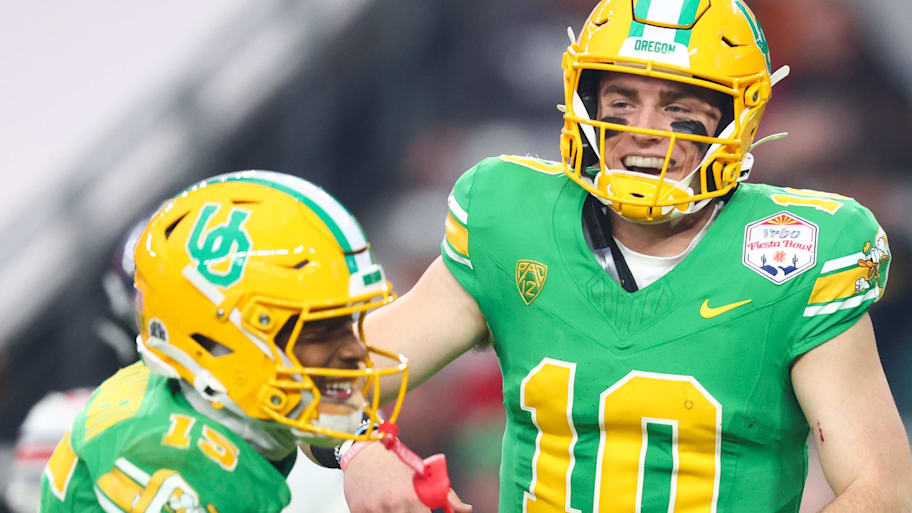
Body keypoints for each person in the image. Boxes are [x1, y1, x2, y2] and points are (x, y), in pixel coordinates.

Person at [335, 1, 912, 512]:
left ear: (735, 120)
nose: (644, 130)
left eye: (678, 108)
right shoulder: (510, 219)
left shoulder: (798, 251)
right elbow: (325, 379)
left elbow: (884, 489)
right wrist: (360, 451)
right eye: (622, 101)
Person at [39, 170, 409, 513]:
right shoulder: (167, 457)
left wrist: (360, 444)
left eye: (346, 324)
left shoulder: (217, 409)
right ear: (221, 338)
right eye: (318, 331)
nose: (356, 351)